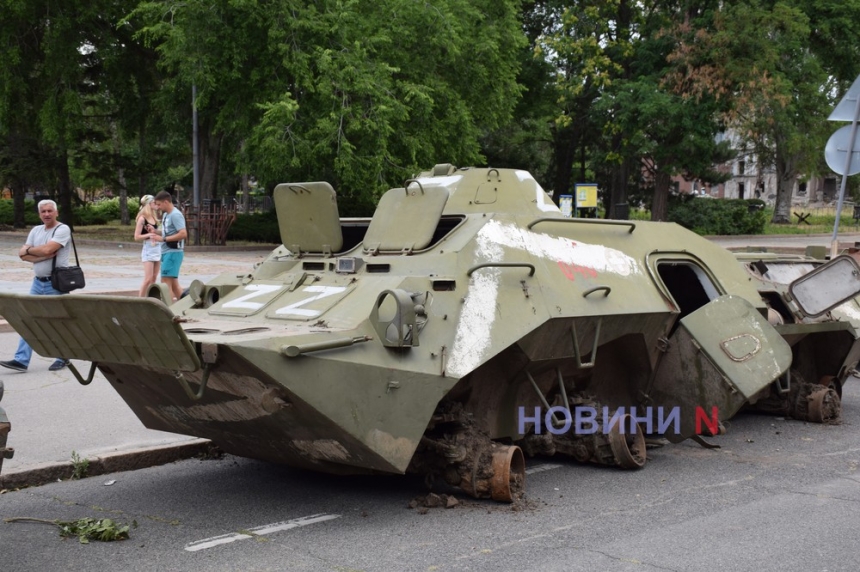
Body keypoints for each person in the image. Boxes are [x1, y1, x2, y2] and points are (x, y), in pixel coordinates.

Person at [0, 200, 71, 372]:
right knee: (28, 320)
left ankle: (63, 357)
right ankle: (21, 360)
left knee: (58, 322)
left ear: (56, 212)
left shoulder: (62, 229)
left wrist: (32, 251)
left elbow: (48, 250)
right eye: (43, 211)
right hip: (38, 283)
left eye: (49, 211)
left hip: (55, 284)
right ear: (39, 214)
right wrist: (39, 254)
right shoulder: (36, 230)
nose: (46, 214)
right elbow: (22, 255)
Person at [152, 190, 187, 301]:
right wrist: (155, 231)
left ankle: (170, 310)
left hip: (173, 252)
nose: (157, 207)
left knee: (165, 283)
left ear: (166, 202)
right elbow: (167, 232)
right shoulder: (167, 215)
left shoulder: (176, 215)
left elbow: (183, 233)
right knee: (174, 285)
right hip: (167, 252)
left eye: (159, 204)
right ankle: (185, 306)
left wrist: (163, 239)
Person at [133, 194, 162, 297]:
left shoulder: (154, 216)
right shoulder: (142, 218)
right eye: (154, 203)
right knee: (148, 278)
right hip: (148, 248)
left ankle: (150, 297)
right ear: (149, 204)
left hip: (157, 246)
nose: (156, 205)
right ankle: (140, 299)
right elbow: (136, 236)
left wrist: (156, 233)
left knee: (154, 278)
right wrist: (149, 234)